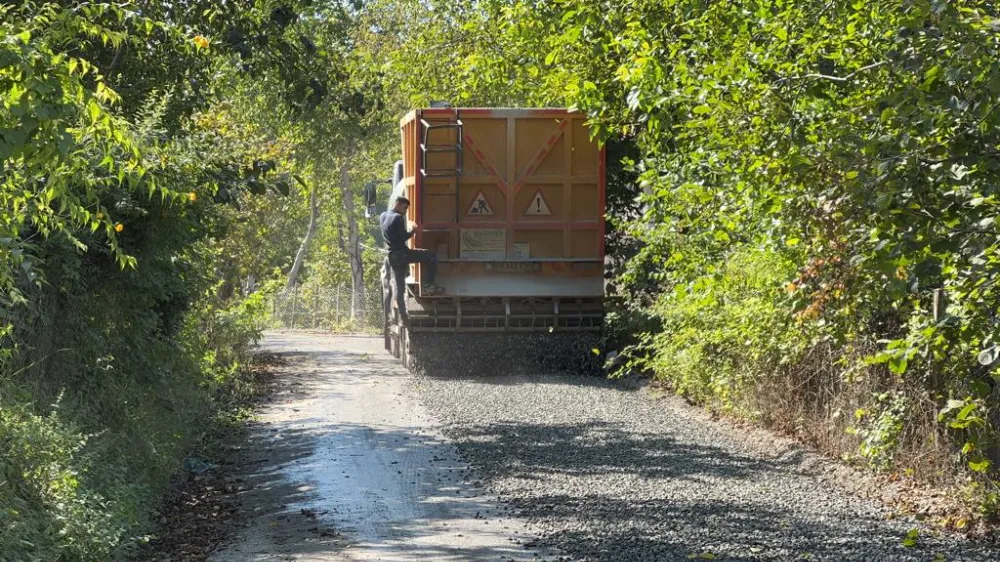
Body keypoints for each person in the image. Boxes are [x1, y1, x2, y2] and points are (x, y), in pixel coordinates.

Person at [380, 196, 444, 323]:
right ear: (398, 204)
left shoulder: (383, 215)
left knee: (400, 287)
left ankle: (404, 317)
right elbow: (403, 236)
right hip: (402, 254)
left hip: (392, 256)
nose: (405, 211)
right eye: (404, 207)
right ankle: (428, 284)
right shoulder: (398, 218)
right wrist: (413, 230)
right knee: (431, 256)